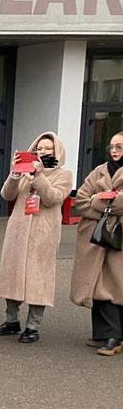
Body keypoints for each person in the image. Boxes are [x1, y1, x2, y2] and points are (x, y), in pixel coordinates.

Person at [0, 132, 72, 344]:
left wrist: (38, 176)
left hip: (43, 234)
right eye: (39, 148)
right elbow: (7, 195)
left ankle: (32, 326)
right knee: (12, 274)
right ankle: (11, 321)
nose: (42, 152)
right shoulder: (24, 171)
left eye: (48, 148)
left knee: (39, 279)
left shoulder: (63, 174)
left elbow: (53, 198)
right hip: (18, 231)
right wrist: (15, 174)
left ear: (57, 151)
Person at [70, 131, 123, 356]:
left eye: (119, 147)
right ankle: (103, 333)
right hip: (94, 237)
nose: (114, 151)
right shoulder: (99, 170)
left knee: (114, 285)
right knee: (96, 282)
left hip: (118, 238)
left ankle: (114, 336)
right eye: (112, 146)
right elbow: (81, 201)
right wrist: (108, 204)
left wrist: (98, 201)